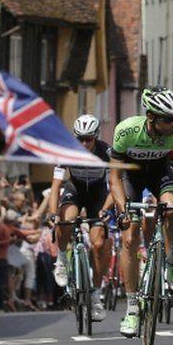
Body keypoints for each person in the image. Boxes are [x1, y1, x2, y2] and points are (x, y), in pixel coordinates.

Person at [108, 87, 173, 337]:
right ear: (151, 116)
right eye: (168, 119)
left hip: (160, 172)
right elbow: (114, 177)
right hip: (130, 177)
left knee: (172, 208)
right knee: (129, 236)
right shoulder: (126, 131)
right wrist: (122, 209)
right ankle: (133, 307)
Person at [49, 114, 112, 322]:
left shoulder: (106, 152)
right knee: (65, 218)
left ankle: (95, 294)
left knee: (98, 243)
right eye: (80, 139)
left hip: (98, 195)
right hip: (74, 190)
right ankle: (61, 260)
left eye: (89, 139)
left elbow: (115, 186)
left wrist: (106, 209)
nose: (84, 143)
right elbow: (56, 187)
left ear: (96, 137)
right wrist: (52, 214)